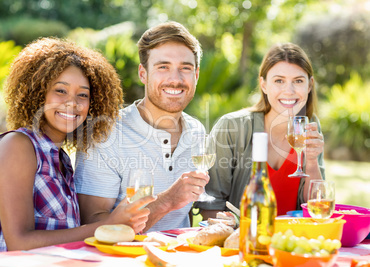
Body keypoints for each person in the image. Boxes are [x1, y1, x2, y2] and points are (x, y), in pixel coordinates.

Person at [0, 37, 154, 255]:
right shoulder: (17, 146)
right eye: (60, 90)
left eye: (83, 95)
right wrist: (107, 224)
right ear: (38, 93)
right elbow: (19, 243)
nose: (72, 103)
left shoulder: (61, 159)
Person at [74, 21, 209, 232]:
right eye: (163, 67)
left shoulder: (197, 131)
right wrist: (166, 202)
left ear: (196, 75)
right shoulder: (105, 133)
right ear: (143, 73)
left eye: (186, 68)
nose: (175, 79)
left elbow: (186, 218)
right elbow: (93, 226)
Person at [195, 43, 325, 218]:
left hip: (291, 241)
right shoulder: (232, 127)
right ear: (263, 85)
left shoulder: (309, 126)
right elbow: (210, 204)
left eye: (298, 81)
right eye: (279, 80)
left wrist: (311, 160)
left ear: (309, 86)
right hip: (242, 240)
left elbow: (316, 207)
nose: (289, 91)